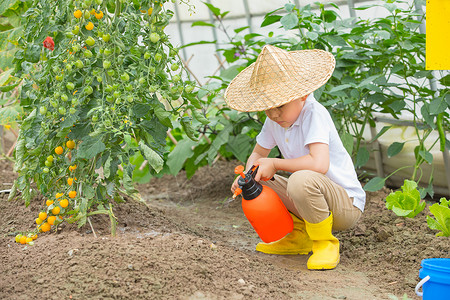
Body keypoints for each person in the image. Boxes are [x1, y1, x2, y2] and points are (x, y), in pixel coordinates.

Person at [224, 45, 366, 270]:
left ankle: (324, 243)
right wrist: (247, 176)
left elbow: (319, 164)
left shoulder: (314, 114)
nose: (273, 114)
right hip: (312, 198)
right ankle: (299, 236)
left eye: (279, 105)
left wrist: (276, 163)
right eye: (267, 108)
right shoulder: (275, 120)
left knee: (301, 179)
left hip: (344, 206)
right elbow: (259, 153)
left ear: (302, 95)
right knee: (258, 177)